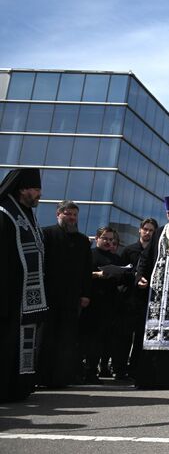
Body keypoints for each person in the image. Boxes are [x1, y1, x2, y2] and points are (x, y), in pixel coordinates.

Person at [133, 197, 169, 389]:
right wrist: (140, 275)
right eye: (168, 214)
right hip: (156, 296)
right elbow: (145, 257)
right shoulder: (159, 232)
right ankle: (148, 378)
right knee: (150, 334)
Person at [0, 168, 47, 402]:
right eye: (36, 189)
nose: (39, 194)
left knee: (19, 342)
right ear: (22, 190)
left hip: (25, 297)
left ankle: (18, 386)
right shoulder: (4, 213)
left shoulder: (27, 214)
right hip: (9, 293)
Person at [39, 201, 92, 388]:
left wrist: (86, 294)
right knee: (47, 337)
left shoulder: (83, 241)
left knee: (67, 339)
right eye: (68, 214)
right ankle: (42, 376)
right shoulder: (46, 234)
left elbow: (86, 270)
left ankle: (62, 378)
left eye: (75, 215)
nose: (72, 218)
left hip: (71, 298)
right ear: (58, 214)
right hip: (49, 295)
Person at [85, 226, 132, 382]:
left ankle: (103, 368)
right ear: (97, 238)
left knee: (107, 339)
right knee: (92, 339)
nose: (108, 242)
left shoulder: (116, 258)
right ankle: (89, 371)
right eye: (105, 238)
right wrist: (97, 275)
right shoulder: (90, 255)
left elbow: (124, 277)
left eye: (111, 239)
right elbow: (81, 273)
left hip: (111, 304)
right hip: (93, 303)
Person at [121, 217, 158, 379]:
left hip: (148, 298)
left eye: (151, 230)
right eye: (145, 229)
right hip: (130, 298)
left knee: (142, 335)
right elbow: (122, 272)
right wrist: (135, 278)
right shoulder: (129, 250)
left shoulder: (156, 251)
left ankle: (135, 367)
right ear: (140, 230)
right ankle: (120, 367)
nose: (147, 233)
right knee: (125, 334)